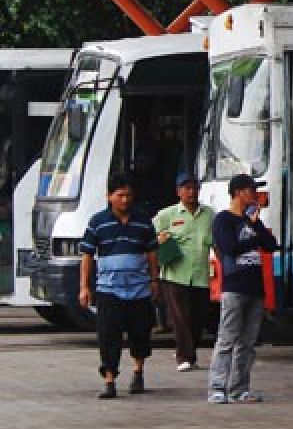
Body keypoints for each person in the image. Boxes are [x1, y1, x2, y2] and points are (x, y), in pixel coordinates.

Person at [78, 173, 159, 399]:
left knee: (140, 333)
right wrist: (85, 287)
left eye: (129, 195)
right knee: (108, 336)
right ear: (109, 197)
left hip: (139, 288)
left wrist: (155, 280)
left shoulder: (143, 221)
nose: (125, 200)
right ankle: (110, 381)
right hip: (108, 289)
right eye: (120, 195)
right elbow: (87, 255)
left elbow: (152, 253)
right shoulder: (98, 222)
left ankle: (138, 371)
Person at [207, 174, 277, 404]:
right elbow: (229, 247)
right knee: (227, 339)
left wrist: (256, 225)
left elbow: (271, 244)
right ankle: (217, 387)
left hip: (255, 288)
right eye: (250, 190)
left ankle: (240, 388)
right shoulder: (223, 220)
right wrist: (254, 240)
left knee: (247, 343)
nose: (254, 194)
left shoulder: (252, 221)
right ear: (238, 192)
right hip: (234, 286)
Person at [154, 170, 215, 372]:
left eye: (195, 188)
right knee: (180, 317)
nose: (191, 192)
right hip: (175, 274)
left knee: (198, 316)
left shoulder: (209, 215)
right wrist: (159, 240)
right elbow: (148, 238)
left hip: (200, 275)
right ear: (178, 191)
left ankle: (191, 353)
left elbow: (216, 244)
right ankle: (184, 357)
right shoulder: (167, 215)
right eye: (186, 188)